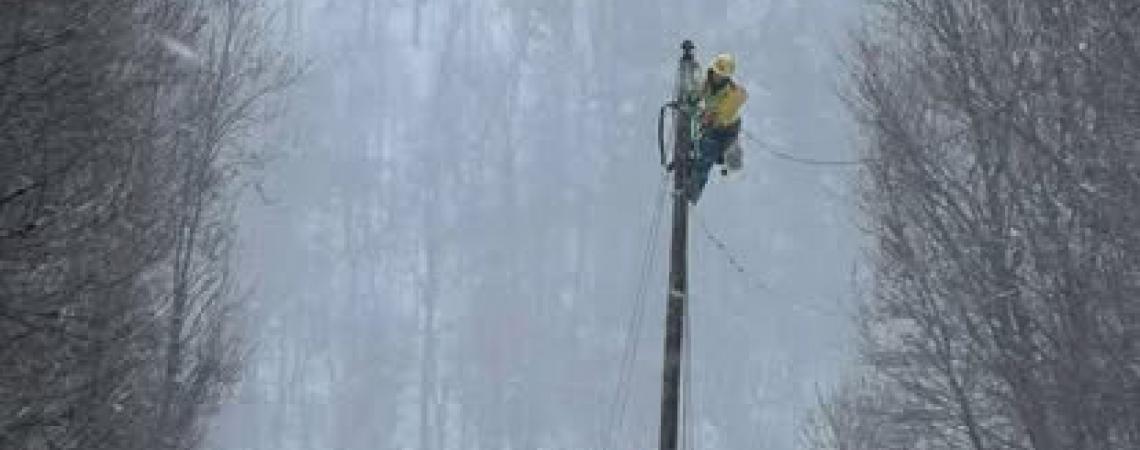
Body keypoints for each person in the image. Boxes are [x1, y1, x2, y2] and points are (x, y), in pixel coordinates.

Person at [689, 53, 747, 204]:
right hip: (713, 130)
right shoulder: (706, 83)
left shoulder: (733, 92)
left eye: (722, 75)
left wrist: (710, 117)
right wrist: (692, 100)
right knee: (703, 159)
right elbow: (696, 96)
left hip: (728, 130)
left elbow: (725, 112)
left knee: (729, 161)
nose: (717, 77)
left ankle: (690, 197)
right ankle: (690, 194)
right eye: (716, 73)